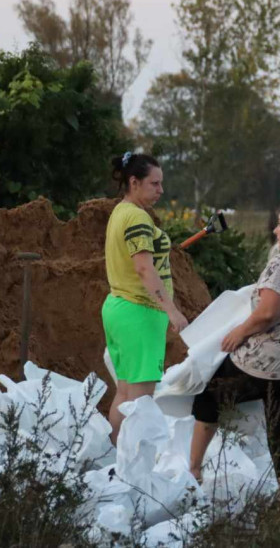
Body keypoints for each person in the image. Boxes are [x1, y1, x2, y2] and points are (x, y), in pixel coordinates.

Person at [189, 201, 280, 501]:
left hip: (272, 362)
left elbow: (268, 313)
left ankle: (193, 470)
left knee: (209, 396)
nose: (275, 229)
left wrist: (238, 333)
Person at [102, 152, 189, 444]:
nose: (161, 191)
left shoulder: (120, 211)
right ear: (134, 182)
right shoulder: (137, 217)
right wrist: (172, 310)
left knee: (125, 393)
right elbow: (143, 267)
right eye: (155, 184)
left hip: (118, 308)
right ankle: (132, 468)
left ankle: (115, 458)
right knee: (139, 401)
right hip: (139, 312)